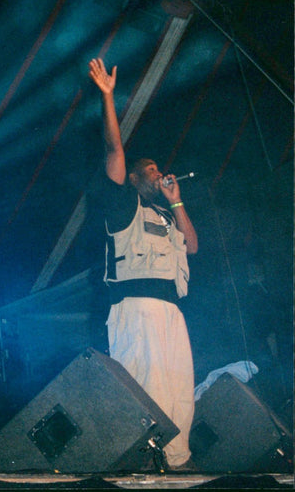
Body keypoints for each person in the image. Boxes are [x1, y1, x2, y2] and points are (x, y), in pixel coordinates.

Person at [87, 57, 198, 470]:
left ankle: (178, 465)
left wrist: (176, 202)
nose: (158, 173)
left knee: (180, 391)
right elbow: (114, 150)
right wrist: (108, 98)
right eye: (150, 170)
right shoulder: (123, 205)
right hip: (136, 307)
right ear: (133, 179)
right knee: (148, 389)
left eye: (158, 168)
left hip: (171, 310)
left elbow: (192, 246)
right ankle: (142, 465)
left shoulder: (167, 214)